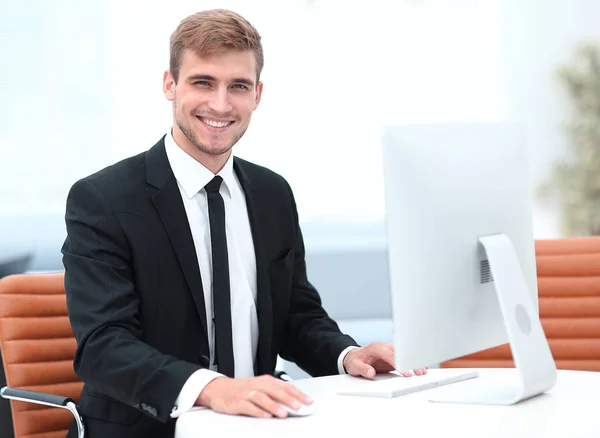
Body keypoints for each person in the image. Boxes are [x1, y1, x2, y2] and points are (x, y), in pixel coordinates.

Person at [62, 9, 426, 438]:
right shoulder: (102, 200)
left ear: (257, 94)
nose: (220, 104)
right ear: (169, 84)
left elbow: (296, 317)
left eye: (238, 86)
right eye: (203, 82)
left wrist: (348, 355)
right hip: (147, 429)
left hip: (256, 426)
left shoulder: (272, 194)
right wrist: (214, 389)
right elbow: (104, 348)